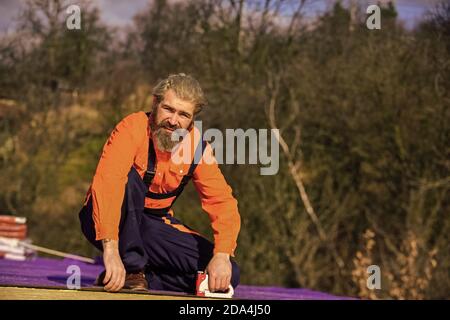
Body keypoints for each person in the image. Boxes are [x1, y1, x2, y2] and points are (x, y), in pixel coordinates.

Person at [78, 73, 241, 294]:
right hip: (109, 219)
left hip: (152, 227)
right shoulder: (132, 128)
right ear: (155, 103)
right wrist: (111, 249)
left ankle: (142, 278)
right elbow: (108, 184)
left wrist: (222, 255)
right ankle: (133, 267)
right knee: (128, 178)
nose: (173, 121)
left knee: (226, 273)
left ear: (193, 119)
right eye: (168, 109)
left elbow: (222, 202)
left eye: (183, 114)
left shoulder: (197, 148)